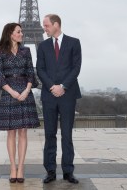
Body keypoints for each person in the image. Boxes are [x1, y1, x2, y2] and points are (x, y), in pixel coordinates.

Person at [36, 14, 82, 184]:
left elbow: (76, 68)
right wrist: (51, 87)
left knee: (67, 135)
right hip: (49, 95)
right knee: (49, 134)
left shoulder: (74, 42)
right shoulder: (42, 46)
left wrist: (62, 86)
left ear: (56, 24)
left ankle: (68, 171)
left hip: (68, 94)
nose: (44, 28)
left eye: (46, 25)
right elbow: (40, 69)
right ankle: (50, 171)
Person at [0, 23, 40, 183]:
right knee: (11, 132)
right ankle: (12, 167)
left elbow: (30, 73)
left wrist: (27, 91)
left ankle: (21, 167)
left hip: (25, 92)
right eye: (19, 31)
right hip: (9, 93)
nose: (22, 34)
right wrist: (13, 92)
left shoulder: (26, 51)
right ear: (10, 34)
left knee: (22, 132)